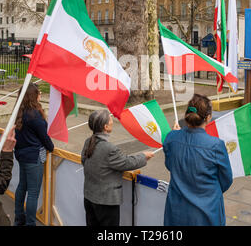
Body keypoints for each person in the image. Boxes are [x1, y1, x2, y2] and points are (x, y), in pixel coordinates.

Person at [163, 94, 233, 226]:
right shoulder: (216, 145)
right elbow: (226, 179)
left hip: (177, 210)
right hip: (207, 211)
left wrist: (174, 135)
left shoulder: (171, 137)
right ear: (208, 117)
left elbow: (170, 165)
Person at [81, 110, 154, 226]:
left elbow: (84, 161)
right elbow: (126, 162)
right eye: (110, 119)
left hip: (89, 197)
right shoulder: (109, 148)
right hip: (105, 202)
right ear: (105, 127)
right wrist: (143, 156)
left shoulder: (88, 141)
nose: (112, 121)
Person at [14, 83, 54, 226]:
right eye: (38, 93)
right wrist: (51, 147)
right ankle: (30, 223)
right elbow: (44, 137)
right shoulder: (35, 115)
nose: (40, 95)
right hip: (33, 157)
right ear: (33, 96)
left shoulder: (19, 111)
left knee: (22, 186)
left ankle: (18, 219)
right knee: (32, 192)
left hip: (21, 155)